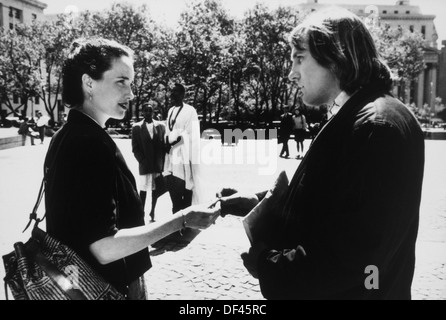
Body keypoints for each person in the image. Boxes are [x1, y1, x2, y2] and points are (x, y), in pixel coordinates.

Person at [218, 7, 425, 300]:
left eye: (299, 59)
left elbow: (355, 257)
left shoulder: (375, 125)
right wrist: (260, 203)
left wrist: (268, 264)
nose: (291, 73)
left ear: (335, 57)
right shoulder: (366, 114)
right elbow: (338, 200)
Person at [43, 38, 220, 300]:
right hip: (102, 288)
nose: (131, 93)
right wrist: (182, 219)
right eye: (121, 81)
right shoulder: (89, 142)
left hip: (79, 284)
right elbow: (104, 247)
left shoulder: (68, 135)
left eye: (131, 83)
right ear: (88, 82)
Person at [164, 83, 204, 214]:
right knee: (173, 190)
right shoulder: (171, 111)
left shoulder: (190, 111)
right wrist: (166, 142)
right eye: (171, 92)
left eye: (175, 92)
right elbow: (168, 131)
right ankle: (176, 219)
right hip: (170, 157)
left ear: (182, 95)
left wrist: (174, 143)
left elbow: (191, 134)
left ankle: (185, 221)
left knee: (186, 188)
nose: (172, 95)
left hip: (184, 156)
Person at [132, 103, 166, 222]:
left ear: (153, 112)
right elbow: (135, 148)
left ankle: (153, 211)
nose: (148, 113)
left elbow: (163, 145)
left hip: (157, 165)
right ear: (142, 112)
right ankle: (141, 212)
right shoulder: (136, 127)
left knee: (156, 190)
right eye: (145, 110)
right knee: (144, 190)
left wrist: (162, 162)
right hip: (145, 165)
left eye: (150, 111)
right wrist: (142, 160)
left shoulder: (161, 126)